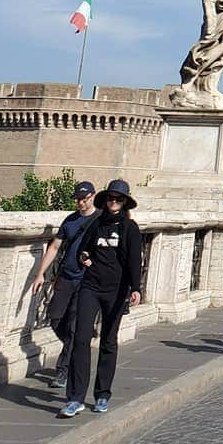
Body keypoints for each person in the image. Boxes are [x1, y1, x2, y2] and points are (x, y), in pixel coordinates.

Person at [59, 179, 142, 418]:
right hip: (91, 286)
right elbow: (83, 249)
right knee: (81, 338)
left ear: (125, 202)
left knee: (108, 340)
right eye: (111, 198)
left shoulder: (130, 228)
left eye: (118, 199)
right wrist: (85, 257)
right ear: (105, 200)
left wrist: (135, 288)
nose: (114, 202)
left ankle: (102, 393)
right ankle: (75, 398)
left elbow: (135, 261)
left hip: (116, 290)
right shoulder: (96, 224)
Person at [30, 181, 96, 388]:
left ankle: (63, 370)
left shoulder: (100, 220)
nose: (81, 203)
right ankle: (76, 344)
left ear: (93, 196)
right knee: (55, 318)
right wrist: (40, 274)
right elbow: (55, 247)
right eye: (78, 199)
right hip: (66, 276)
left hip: (86, 279)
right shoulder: (70, 220)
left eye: (84, 199)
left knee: (75, 326)